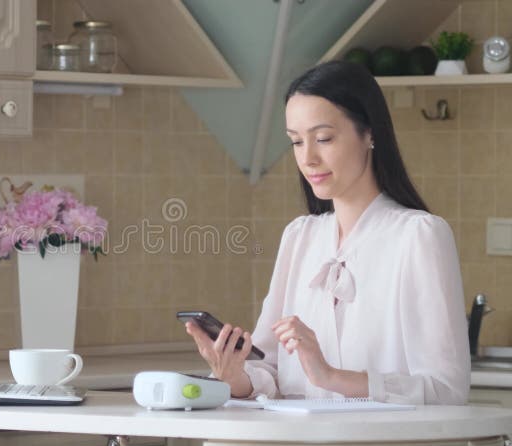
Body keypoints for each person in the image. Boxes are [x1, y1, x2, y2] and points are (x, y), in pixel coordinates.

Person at [186, 60, 469, 405]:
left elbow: (447, 390)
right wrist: (234, 376)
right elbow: (270, 369)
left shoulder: (419, 236)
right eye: (296, 142)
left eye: (323, 138)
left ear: (370, 133)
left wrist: (332, 378)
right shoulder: (299, 237)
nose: (308, 158)